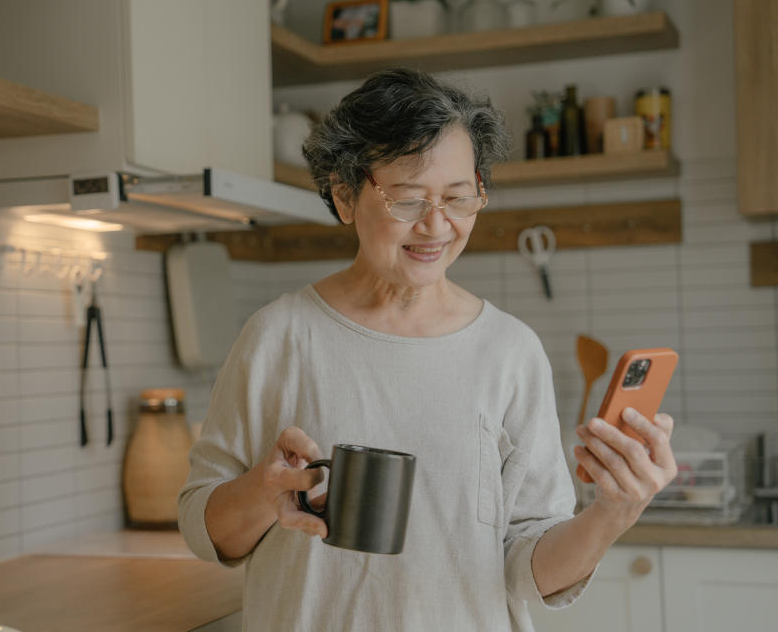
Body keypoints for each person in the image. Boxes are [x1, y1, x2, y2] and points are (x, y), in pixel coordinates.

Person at [178, 68, 677, 632]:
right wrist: (261, 493)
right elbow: (204, 527)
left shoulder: (510, 351)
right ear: (345, 197)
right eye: (408, 201)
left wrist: (615, 512)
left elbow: (527, 569)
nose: (437, 226)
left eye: (460, 199)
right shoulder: (278, 336)